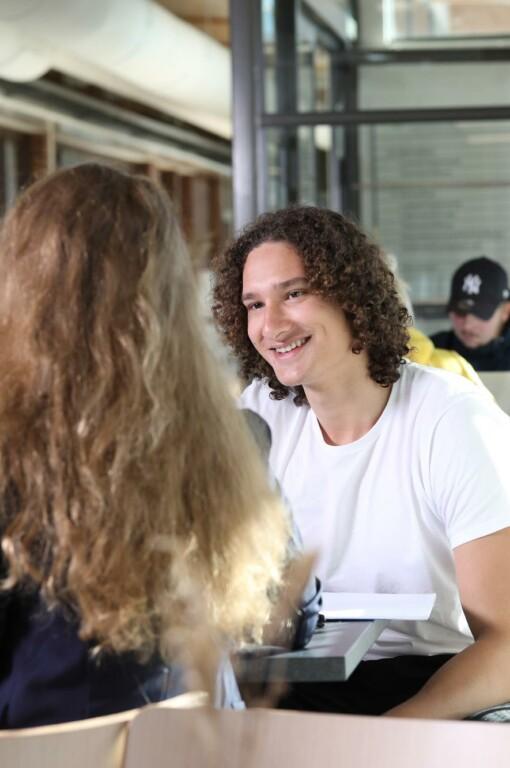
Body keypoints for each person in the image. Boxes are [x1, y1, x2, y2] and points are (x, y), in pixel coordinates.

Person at [0, 164, 295, 729]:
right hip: (199, 752)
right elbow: (287, 611)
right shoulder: (232, 441)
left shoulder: (14, 457)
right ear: (173, 290)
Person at [212, 205, 510, 720]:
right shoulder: (259, 416)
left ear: (350, 297)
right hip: (296, 690)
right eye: (255, 304)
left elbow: (506, 644)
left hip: (439, 687)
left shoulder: (451, 421)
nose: (272, 324)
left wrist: (391, 735)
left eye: (294, 294)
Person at [431, 256, 510, 371]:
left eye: (480, 314)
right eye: (460, 312)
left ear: (506, 312)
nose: (467, 325)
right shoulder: (429, 351)